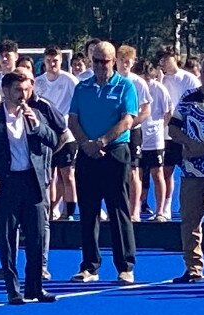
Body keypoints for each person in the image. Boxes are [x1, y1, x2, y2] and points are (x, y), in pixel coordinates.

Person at [0, 70, 58, 303]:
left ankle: (35, 288)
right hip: (6, 184)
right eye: (18, 90)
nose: (23, 95)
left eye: (27, 89)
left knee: (37, 237)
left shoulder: (36, 114)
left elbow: (54, 140)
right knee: (8, 239)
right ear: (6, 91)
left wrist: (37, 125)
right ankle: (13, 289)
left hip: (33, 183)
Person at [69, 41, 138, 283]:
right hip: (87, 154)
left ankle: (125, 266)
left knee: (118, 208)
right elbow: (73, 120)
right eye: (96, 61)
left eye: (105, 61)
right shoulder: (82, 87)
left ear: (114, 61)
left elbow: (127, 120)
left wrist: (102, 141)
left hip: (115, 152)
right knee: (88, 210)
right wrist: (86, 144)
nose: (100, 66)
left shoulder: (125, 86)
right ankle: (89, 266)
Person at [168, 54, 204, 283]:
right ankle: (193, 268)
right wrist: (189, 143)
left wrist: (203, 147)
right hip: (192, 172)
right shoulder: (189, 98)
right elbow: (173, 128)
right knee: (190, 221)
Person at [34, 45, 79, 221]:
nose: (52, 64)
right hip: (46, 135)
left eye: (55, 61)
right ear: (44, 62)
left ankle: (69, 212)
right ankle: (51, 210)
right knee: (50, 176)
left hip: (67, 135)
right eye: (49, 61)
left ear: (61, 61)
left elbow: (78, 103)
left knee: (67, 174)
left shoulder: (70, 80)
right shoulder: (39, 82)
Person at [158, 45, 201, 220]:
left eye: (166, 58)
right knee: (166, 171)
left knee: (191, 172)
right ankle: (166, 206)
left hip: (187, 134)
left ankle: (196, 205)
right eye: (161, 60)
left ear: (175, 57)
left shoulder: (188, 79)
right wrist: (159, 81)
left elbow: (198, 103)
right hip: (167, 135)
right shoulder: (161, 80)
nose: (163, 63)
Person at [116, 45, 152, 222]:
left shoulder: (138, 82)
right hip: (114, 132)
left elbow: (146, 110)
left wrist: (130, 124)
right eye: (121, 61)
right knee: (114, 171)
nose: (124, 65)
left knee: (133, 171)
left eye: (128, 62)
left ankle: (134, 210)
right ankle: (116, 209)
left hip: (133, 132)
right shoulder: (111, 80)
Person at [135, 59, 172, 221]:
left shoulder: (159, 89)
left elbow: (168, 112)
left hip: (155, 140)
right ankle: (135, 209)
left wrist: (159, 128)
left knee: (158, 174)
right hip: (137, 136)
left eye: (148, 77)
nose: (145, 81)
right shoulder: (134, 86)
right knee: (137, 175)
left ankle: (160, 211)